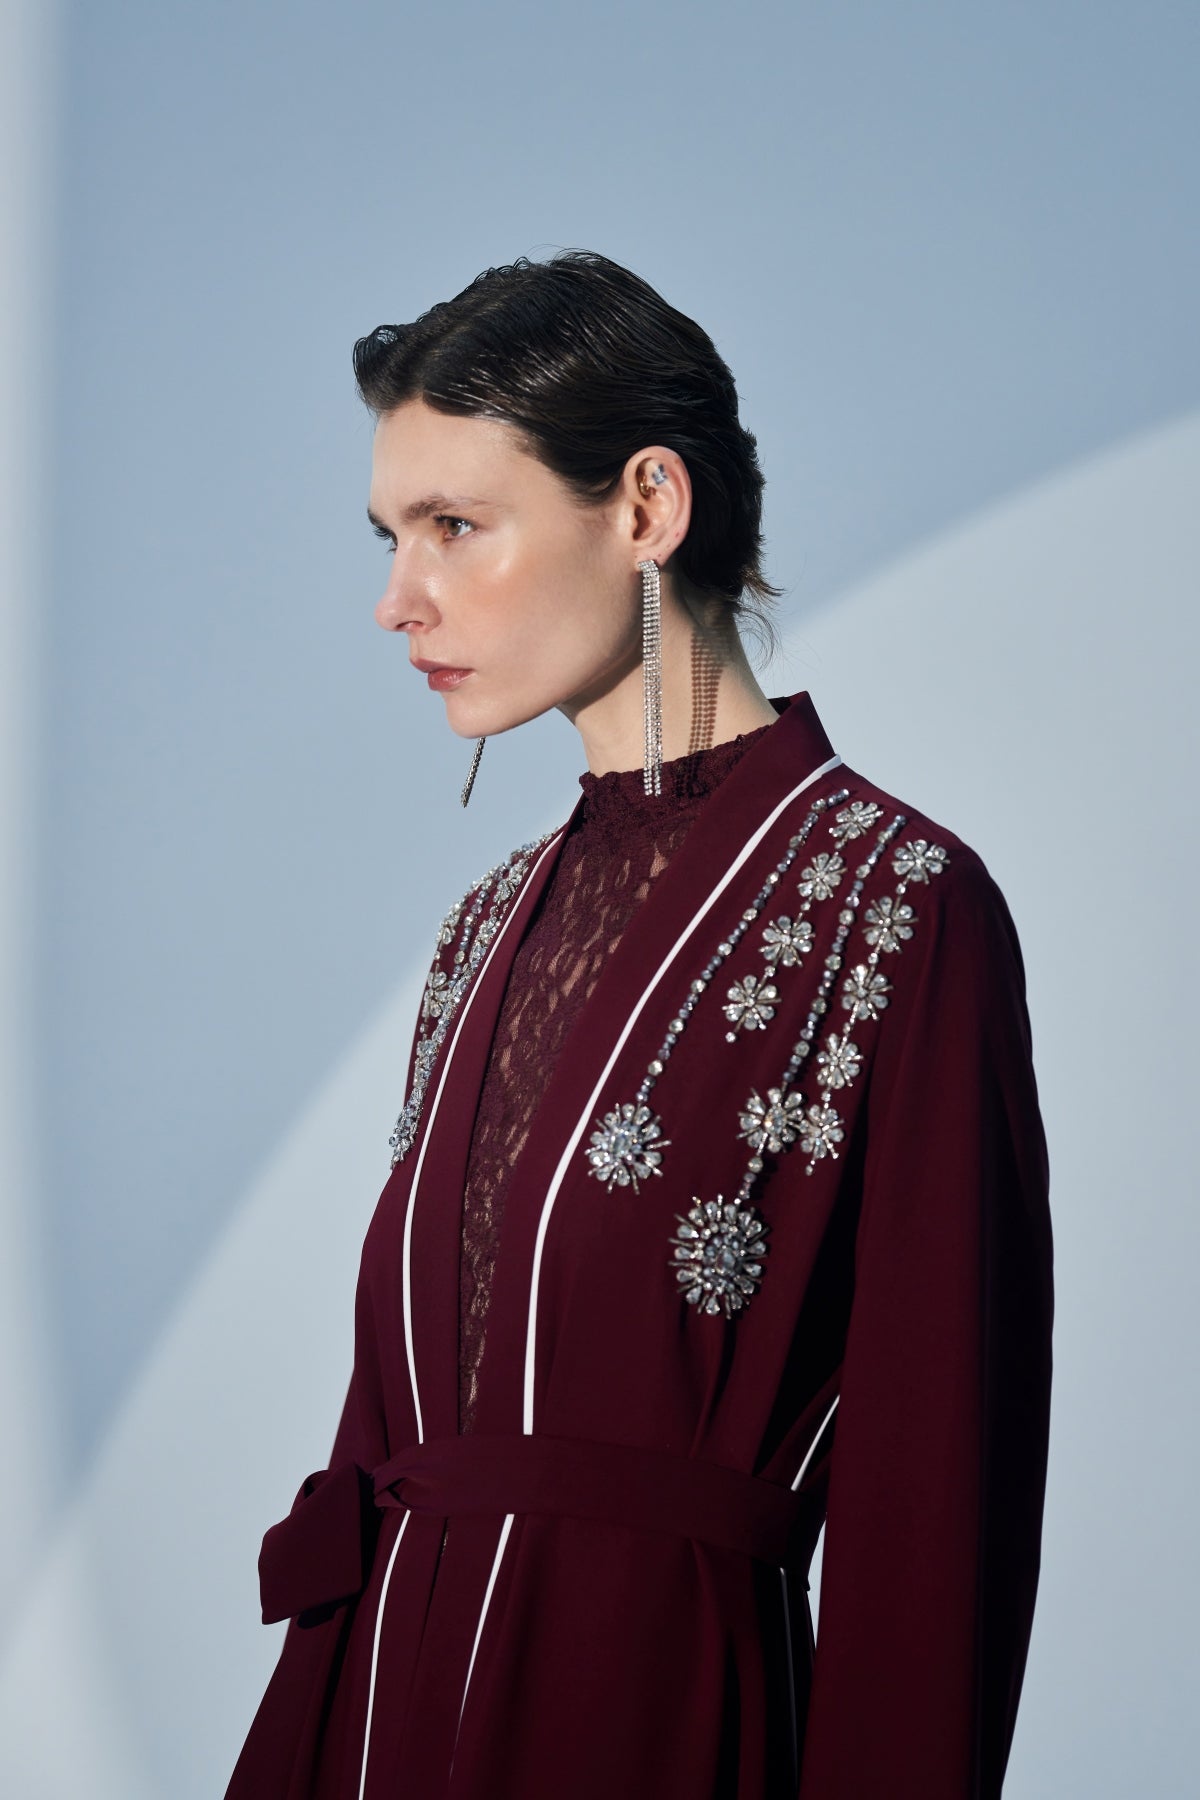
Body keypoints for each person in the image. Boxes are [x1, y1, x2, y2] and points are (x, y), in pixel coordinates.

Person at [224, 249, 1054, 1799]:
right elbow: (376, 1452)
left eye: (455, 527)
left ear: (648, 506)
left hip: (655, 1731)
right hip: (379, 1732)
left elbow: (937, 1518)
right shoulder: (486, 928)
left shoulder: (899, 907)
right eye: (392, 537)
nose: (398, 599)